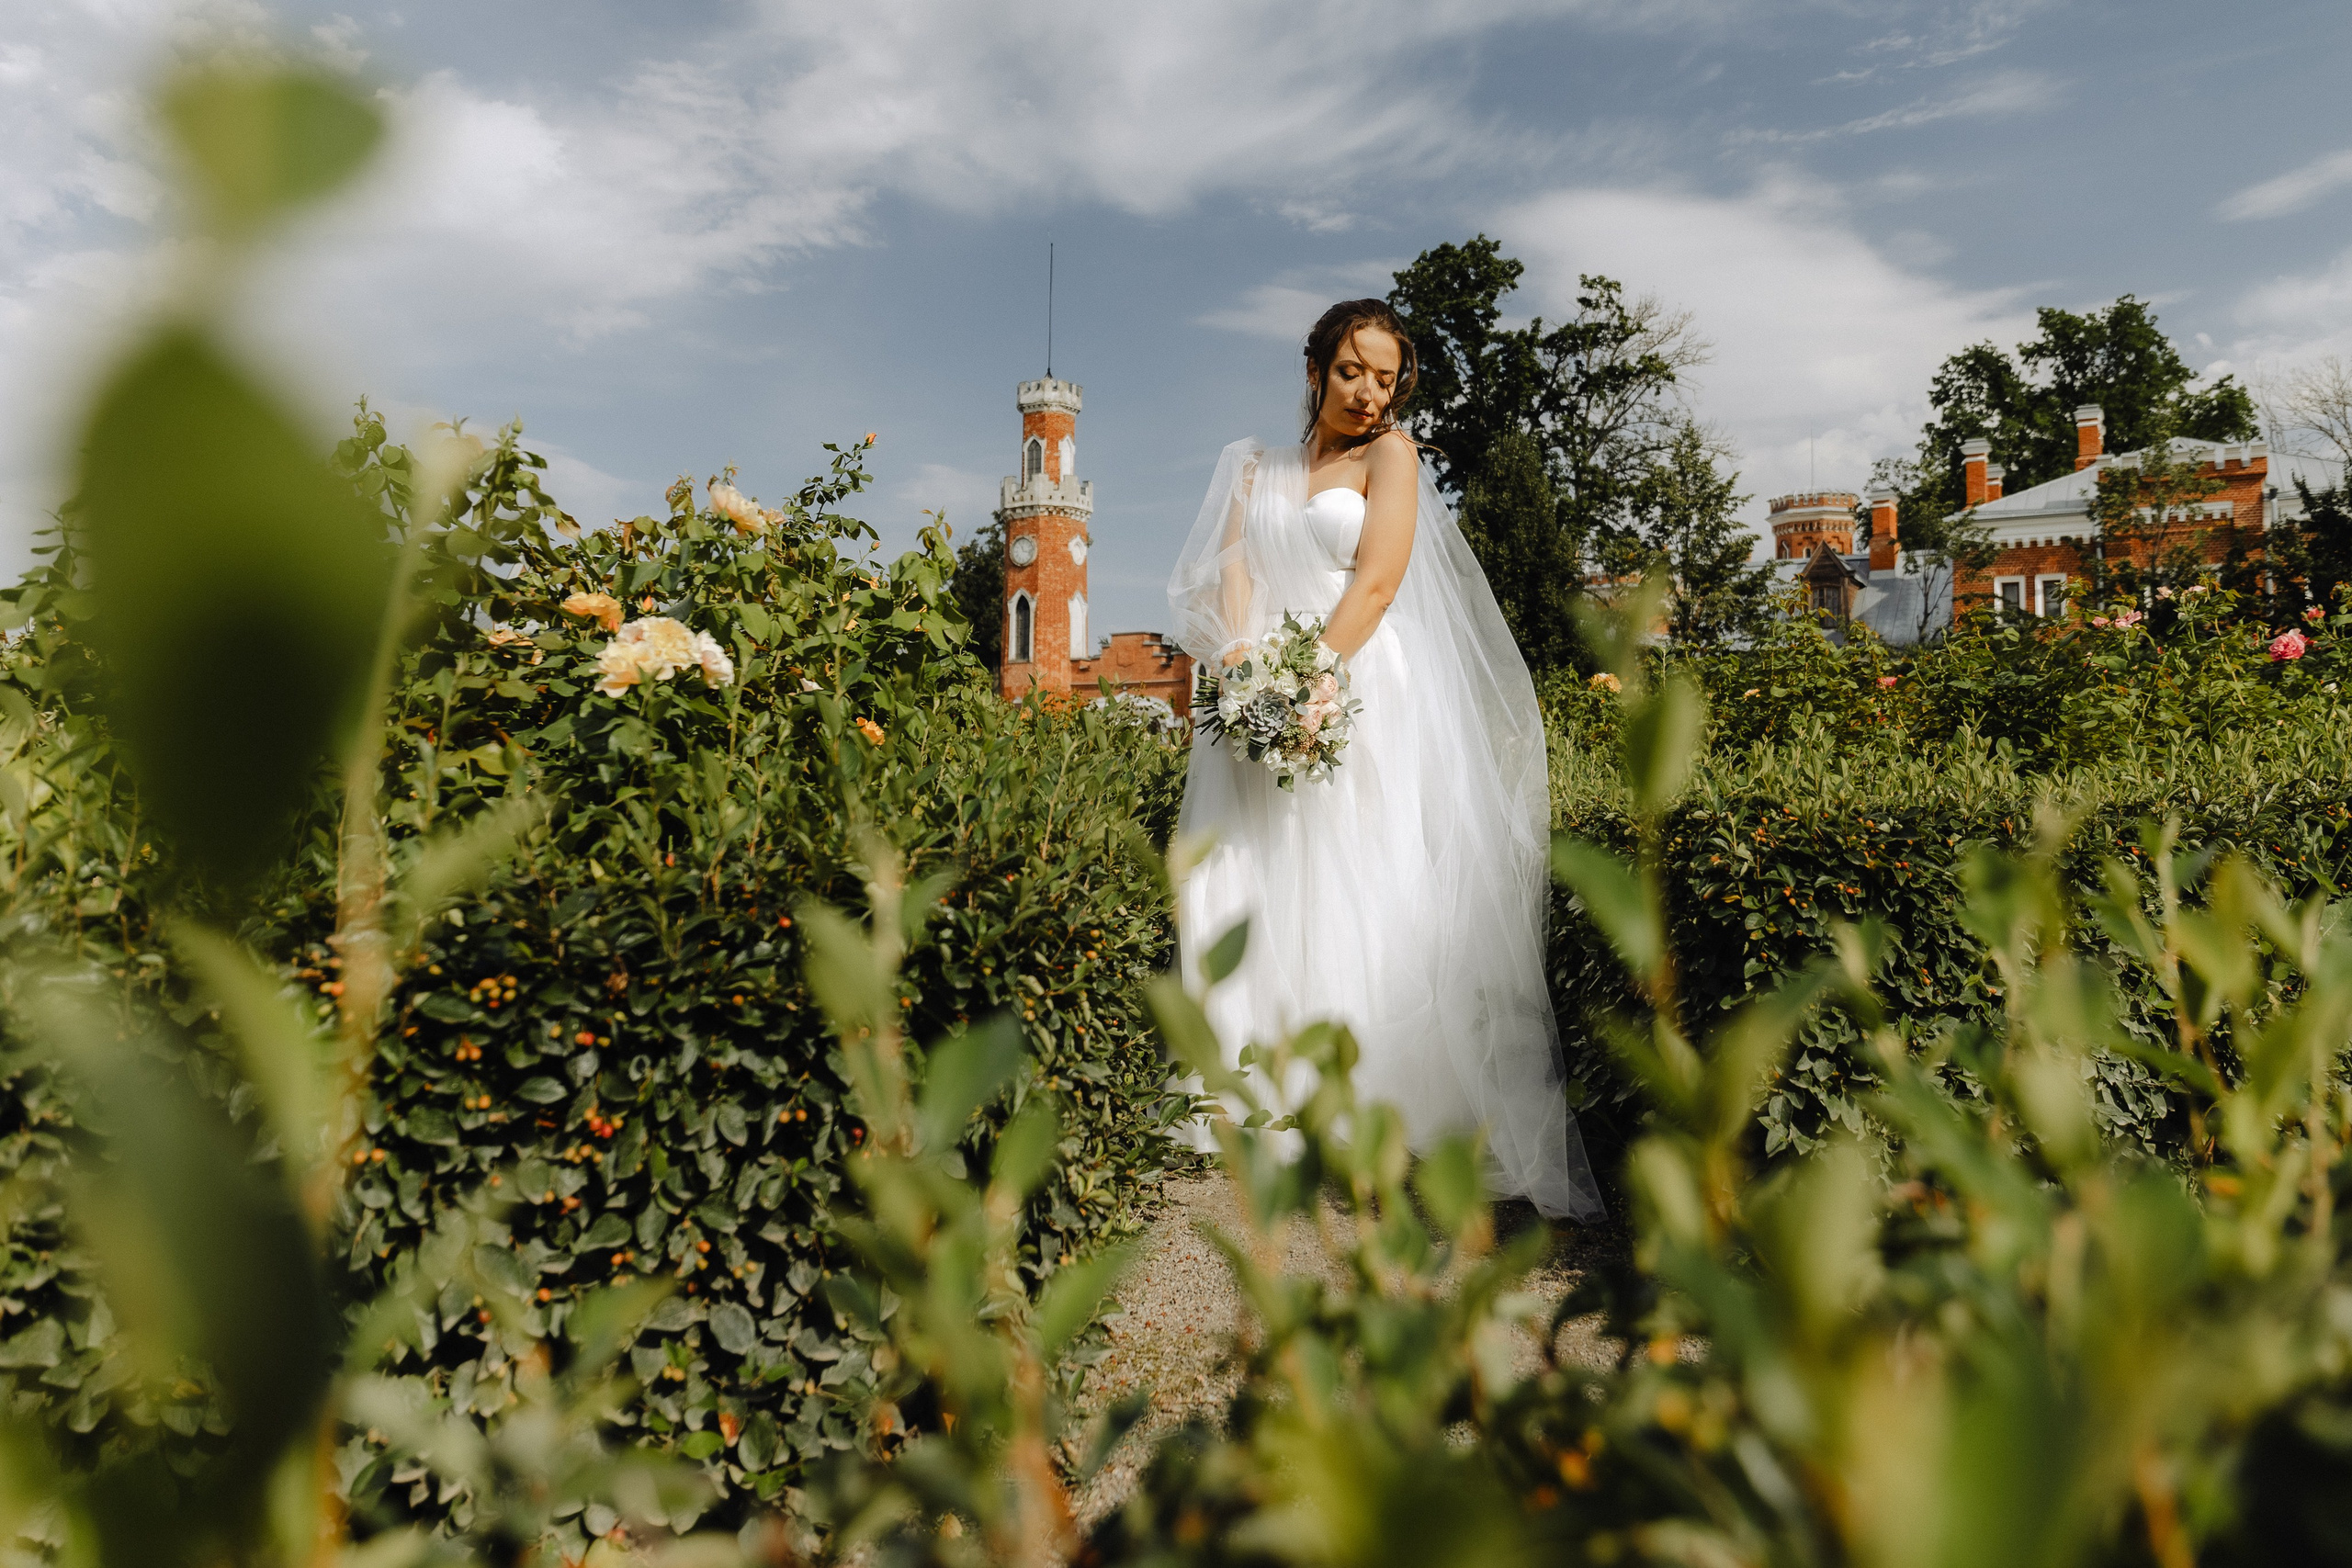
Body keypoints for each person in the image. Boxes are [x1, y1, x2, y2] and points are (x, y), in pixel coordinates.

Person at [1166, 298, 1603, 1222]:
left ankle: (1374, 1103)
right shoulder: (1256, 467)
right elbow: (1233, 576)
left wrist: (1308, 681)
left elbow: (1378, 580)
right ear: (1317, 368)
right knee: (1255, 875)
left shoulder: (1390, 457)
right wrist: (1244, 666)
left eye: (1385, 377)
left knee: (1358, 874)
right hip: (1264, 685)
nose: (1367, 394)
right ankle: (1257, 1095)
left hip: (1353, 678)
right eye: (1350, 372)